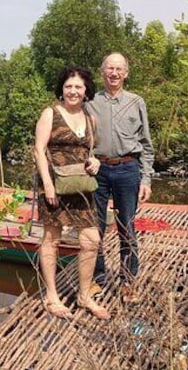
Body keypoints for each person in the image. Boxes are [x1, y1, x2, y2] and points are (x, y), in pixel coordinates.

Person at [34, 66, 110, 320]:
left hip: (82, 187)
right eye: (69, 86)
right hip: (55, 185)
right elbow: (38, 150)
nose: (73, 91)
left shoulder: (91, 119)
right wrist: (47, 184)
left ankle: (84, 295)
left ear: (86, 89)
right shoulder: (51, 113)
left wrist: (95, 162)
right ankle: (52, 296)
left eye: (78, 87)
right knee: (52, 239)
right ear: (62, 89)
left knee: (92, 240)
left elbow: (90, 152)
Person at [86, 52, 154, 304]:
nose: (114, 73)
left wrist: (146, 178)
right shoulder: (90, 101)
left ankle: (128, 281)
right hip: (98, 171)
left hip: (128, 169)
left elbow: (146, 144)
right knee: (96, 228)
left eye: (119, 69)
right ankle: (98, 277)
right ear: (102, 72)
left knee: (127, 227)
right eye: (109, 68)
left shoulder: (136, 101)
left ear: (126, 73)